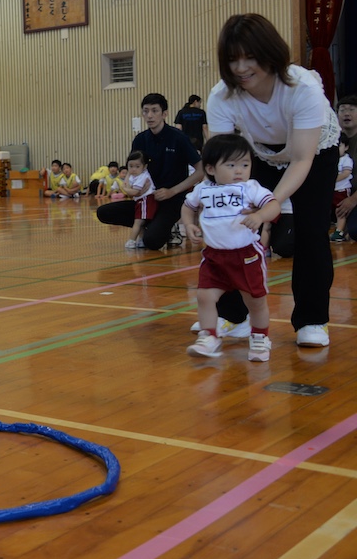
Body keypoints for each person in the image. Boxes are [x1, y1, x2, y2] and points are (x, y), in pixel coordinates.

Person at [203, 13, 340, 348]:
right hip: (260, 153)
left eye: (250, 57)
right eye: (232, 59)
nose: (241, 68)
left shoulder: (303, 87)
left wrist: (271, 203)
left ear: (270, 52)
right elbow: (222, 158)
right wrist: (219, 204)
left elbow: (302, 159)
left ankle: (312, 320)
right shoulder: (221, 96)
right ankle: (234, 315)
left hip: (313, 153)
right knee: (234, 224)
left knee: (310, 232)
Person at [182, 135, 279, 362]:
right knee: (204, 296)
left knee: (255, 300)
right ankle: (209, 336)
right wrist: (188, 224)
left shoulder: (250, 187)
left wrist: (259, 216)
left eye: (245, 165)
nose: (239, 171)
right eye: (231, 165)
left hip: (246, 255)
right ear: (210, 168)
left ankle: (260, 337)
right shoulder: (202, 189)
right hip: (214, 256)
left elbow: (273, 205)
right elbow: (187, 207)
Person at [96, 94, 202, 249]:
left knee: (152, 242)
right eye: (146, 111)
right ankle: (152, 224)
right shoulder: (140, 140)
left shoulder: (178, 138)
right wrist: (129, 188)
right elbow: (131, 170)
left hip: (172, 200)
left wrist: (172, 191)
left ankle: (167, 227)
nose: (150, 115)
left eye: (154, 111)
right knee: (103, 212)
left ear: (164, 113)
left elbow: (200, 171)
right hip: (146, 199)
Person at [121, 151, 154, 249]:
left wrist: (124, 189)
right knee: (141, 222)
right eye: (131, 166)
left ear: (144, 166)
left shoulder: (143, 176)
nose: (133, 169)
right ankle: (141, 240)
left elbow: (134, 192)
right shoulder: (134, 176)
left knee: (138, 222)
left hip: (146, 200)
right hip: (140, 201)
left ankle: (131, 240)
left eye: (137, 166)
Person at [333, 138, 352, 243]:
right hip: (332, 190)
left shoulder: (346, 159)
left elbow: (346, 173)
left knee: (340, 211)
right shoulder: (332, 159)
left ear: (346, 147)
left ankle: (339, 232)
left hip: (342, 190)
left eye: (339, 146)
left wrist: (331, 180)